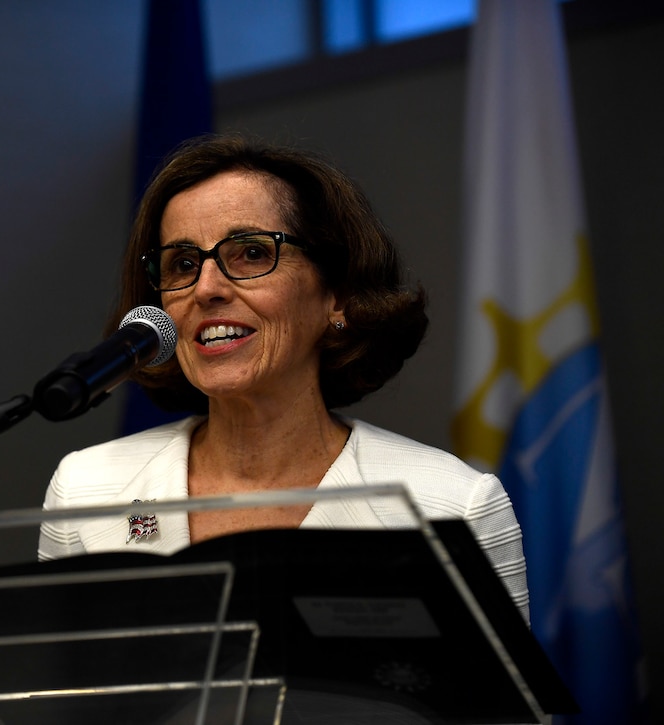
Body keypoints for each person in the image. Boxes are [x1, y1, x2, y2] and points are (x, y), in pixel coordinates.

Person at [37, 134, 528, 622]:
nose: (206, 288)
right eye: (183, 264)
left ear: (336, 296)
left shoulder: (451, 506)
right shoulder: (89, 489)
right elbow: (57, 697)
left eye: (250, 253)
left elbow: (506, 702)